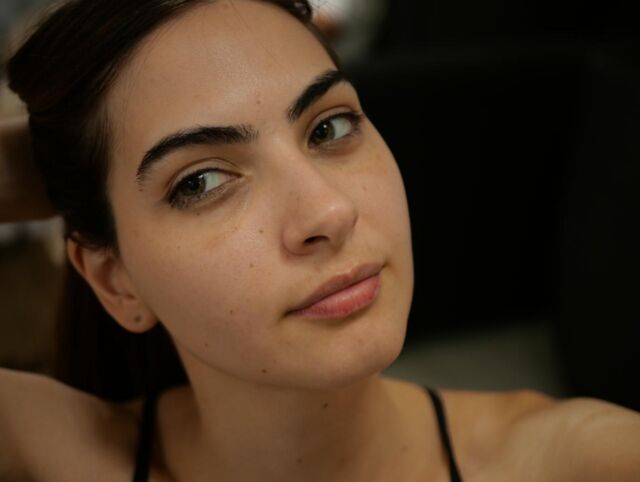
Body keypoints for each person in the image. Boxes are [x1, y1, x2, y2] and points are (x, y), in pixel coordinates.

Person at [0, 1, 639, 481]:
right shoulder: (52, 453)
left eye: (329, 127)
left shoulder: (578, 461)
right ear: (116, 282)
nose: (328, 211)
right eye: (201, 181)